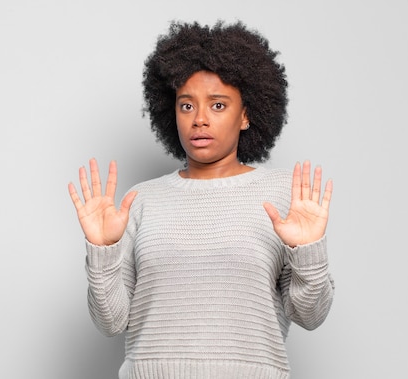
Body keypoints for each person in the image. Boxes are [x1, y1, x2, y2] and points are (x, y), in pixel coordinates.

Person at [68, 20, 335, 379]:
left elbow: (310, 315)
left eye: (219, 105)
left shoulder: (286, 198)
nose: (200, 120)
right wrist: (103, 251)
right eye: (187, 106)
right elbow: (111, 321)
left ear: (246, 115)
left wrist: (309, 253)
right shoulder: (141, 201)